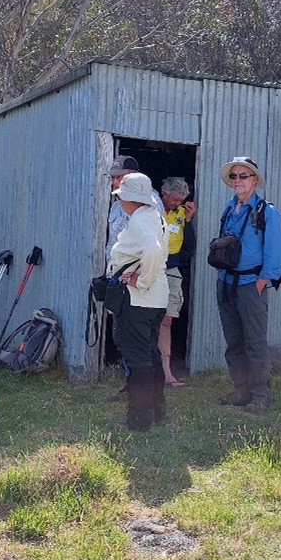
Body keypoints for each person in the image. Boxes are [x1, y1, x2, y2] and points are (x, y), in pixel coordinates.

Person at [215, 156, 281, 414]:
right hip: (226, 282)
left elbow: (275, 254)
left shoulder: (268, 212)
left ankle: (260, 396)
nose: (238, 181)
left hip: (250, 285)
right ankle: (241, 389)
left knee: (254, 342)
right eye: (234, 176)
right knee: (233, 341)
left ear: (254, 180)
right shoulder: (228, 208)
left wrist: (262, 281)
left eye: (243, 176)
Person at [108, 171, 168, 431]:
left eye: (122, 196)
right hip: (155, 299)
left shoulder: (141, 222)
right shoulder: (153, 216)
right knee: (150, 355)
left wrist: (140, 281)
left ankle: (139, 419)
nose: (120, 201)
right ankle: (156, 410)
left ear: (131, 199)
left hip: (139, 299)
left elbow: (152, 250)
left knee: (138, 359)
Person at [158, 176, 196, 387]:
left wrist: (188, 221)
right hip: (152, 268)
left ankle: (167, 373)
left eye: (181, 199)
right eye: (174, 200)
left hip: (172, 269)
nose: (177, 203)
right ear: (164, 194)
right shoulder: (153, 210)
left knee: (168, 320)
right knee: (146, 319)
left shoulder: (182, 213)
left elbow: (190, 247)